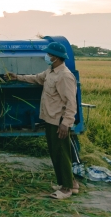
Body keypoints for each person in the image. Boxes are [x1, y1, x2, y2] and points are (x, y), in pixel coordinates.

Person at [7, 41, 79, 199]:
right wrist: (17, 77)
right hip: (50, 119)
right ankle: (69, 183)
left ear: (57, 57)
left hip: (59, 122)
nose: (47, 56)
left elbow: (71, 103)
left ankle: (66, 189)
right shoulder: (50, 72)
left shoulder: (65, 76)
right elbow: (36, 78)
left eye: (50, 54)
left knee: (62, 154)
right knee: (56, 153)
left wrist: (66, 123)